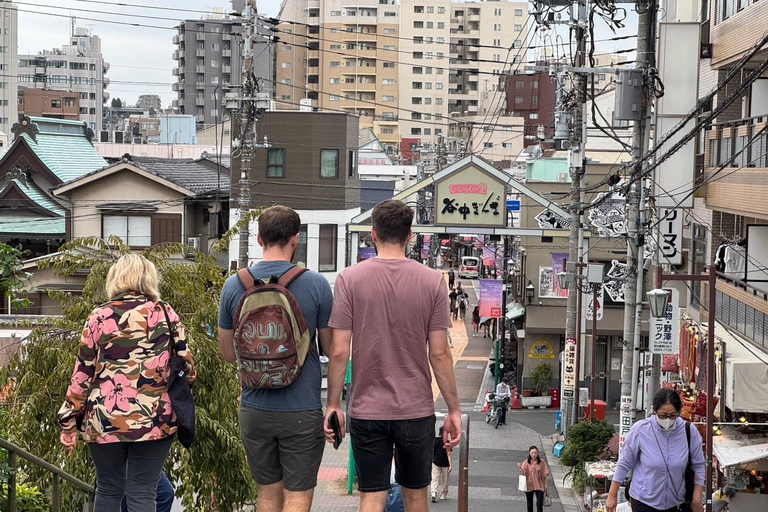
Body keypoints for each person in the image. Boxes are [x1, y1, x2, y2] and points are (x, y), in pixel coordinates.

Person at [325, 199, 463, 512]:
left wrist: (333, 405)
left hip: (366, 409)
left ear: (373, 234)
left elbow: (338, 350)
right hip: (415, 410)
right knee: (416, 497)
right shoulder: (432, 281)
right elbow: (439, 354)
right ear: (410, 235)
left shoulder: (349, 279)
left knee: (371, 497)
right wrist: (453, 409)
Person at [58, 254, 196, 512]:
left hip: (104, 419)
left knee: (109, 489)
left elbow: (82, 376)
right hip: (154, 419)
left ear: (115, 279)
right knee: (143, 491)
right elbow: (187, 368)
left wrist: (68, 423)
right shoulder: (166, 314)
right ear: (149, 279)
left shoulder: (98, 317)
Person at [218, 205, 334, 512]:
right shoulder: (317, 285)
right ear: (296, 240)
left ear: (259, 239)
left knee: (267, 494)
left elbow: (228, 355)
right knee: (298, 496)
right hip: (301, 408)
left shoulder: (234, 285)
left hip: (254, 408)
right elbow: (330, 349)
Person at [606, 388, 705, 512]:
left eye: (673, 415)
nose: (668, 419)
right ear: (655, 411)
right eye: (663, 415)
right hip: (643, 502)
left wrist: (696, 498)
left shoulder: (689, 431)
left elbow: (699, 466)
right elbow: (624, 463)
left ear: (679, 412)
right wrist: (612, 494)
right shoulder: (640, 430)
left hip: (676, 503)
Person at [518, 446, 549, 512]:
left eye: (535, 453)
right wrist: (520, 468)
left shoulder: (542, 462)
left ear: (537, 453)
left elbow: (544, 474)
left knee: (539, 503)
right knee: (529, 504)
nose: (534, 454)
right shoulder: (526, 462)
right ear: (529, 453)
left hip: (540, 485)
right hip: (529, 485)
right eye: (532, 453)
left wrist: (545, 484)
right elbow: (523, 473)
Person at [431, 427, 452, 502]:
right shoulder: (447, 442)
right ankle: (443, 494)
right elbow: (448, 453)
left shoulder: (434, 440)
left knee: (435, 478)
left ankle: (434, 492)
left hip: (435, 462)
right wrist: (450, 465)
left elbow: (431, 451)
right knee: (445, 479)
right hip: (445, 463)